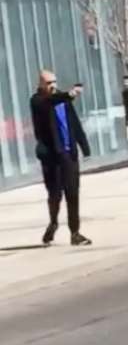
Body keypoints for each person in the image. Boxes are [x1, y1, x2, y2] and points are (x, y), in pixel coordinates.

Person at [30, 70, 92, 246]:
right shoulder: (38, 100)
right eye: (49, 83)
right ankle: (53, 222)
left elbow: (74, 123)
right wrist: (69, 94)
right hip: (51, 156)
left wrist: (84, 146)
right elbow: (49, 102)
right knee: (55, 194)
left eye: (54, 82)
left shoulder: (63, 100)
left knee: (73, 193)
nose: (53, 86)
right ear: (41, 84)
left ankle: (75, 232)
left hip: (68, 153)